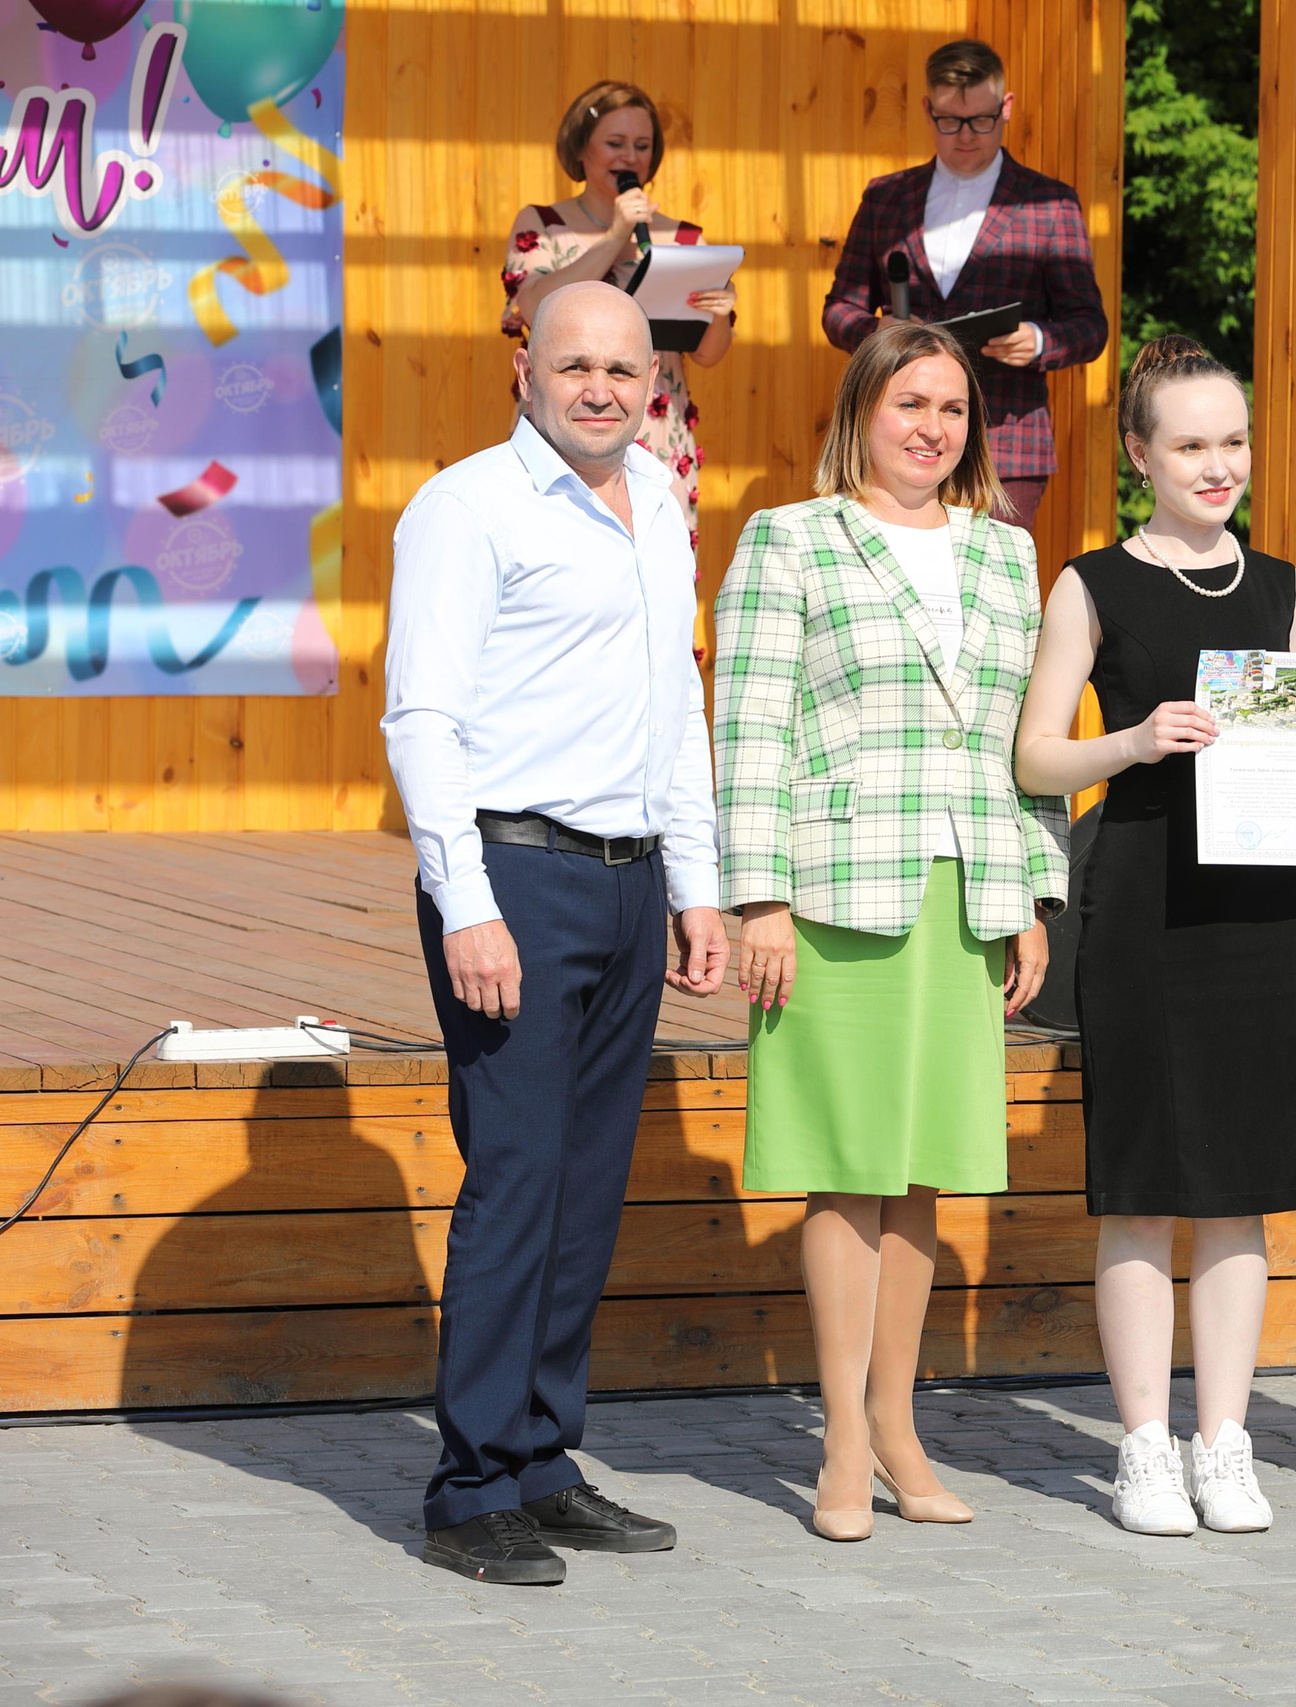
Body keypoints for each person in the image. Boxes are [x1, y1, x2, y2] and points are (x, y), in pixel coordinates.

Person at [385, 281, 730, 1586]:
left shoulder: (659, 503)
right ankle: (468, 1483)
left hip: (630, 876)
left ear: (657, 381)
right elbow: (422, 717)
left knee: (586, 1184)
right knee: (520, 1169)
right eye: (573, 363)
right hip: (513, 874)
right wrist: (464, 898)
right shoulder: (467, 506)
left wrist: (695, 882)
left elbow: (673, 706)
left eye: (624, 367)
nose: (600, 386)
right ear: (524, 367)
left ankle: (540, 1455)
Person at [712, 318, 1067, 1544]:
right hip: (832, 891)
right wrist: (756, 895)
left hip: (965, 891)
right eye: (910, 403)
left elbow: (1023, 751)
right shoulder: (788, 539)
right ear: (861, 411)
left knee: (925, 1173)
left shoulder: (1005, 556)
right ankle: (845, 1443)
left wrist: (1030, 889)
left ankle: (902, 1424)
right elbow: (748, 726)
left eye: (954, 410)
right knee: (846, 1164)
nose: (932, 428)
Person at [1013, 336, 1296, 1537]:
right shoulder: (1090, 583)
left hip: (1261, 909)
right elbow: (1035, 753)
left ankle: (1225, 1441)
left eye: (1232, 441)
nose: (1217, 466)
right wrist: (1132, 744)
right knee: (1146, 1189)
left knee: (1241, 1192)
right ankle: (1143, 1449)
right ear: (1140, 454)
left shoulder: (1285, 586)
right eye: (1191, 445)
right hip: (1147, 901)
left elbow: (1295, 747)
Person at [819, 38, 1107, 534]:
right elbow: (839, 308)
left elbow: (1089, 326)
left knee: (993, 598)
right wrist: (877, 331)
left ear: (1007, 107)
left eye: (982, 120)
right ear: (929, 110)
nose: (966, 135)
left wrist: (1037, 340)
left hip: (1007, 443)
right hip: (898, 436)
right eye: (950, 121)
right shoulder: (887, 197)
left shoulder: (1050, 202)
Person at [501, 81, 737, 553]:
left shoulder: (684, 237)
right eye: (615, 143)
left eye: (642, 146)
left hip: (654, 429)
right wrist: (615, 235)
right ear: (581, 148)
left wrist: (720, 315)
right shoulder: (543, 225)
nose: (630, 157)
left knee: (654, 568)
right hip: (560, 426)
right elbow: (531, 306)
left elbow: (709, 355)